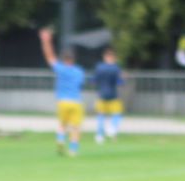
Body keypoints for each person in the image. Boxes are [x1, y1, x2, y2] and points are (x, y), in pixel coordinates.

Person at [38, 28, 85, 157]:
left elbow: (49, 56)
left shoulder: (60, 69)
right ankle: (73, 150)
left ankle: (60, 140)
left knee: (62, 125)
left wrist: (46, 41)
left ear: (63, 59)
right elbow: (81, 84)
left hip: (63, 101)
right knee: (75, 127)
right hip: (76, 102)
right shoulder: (79, 71)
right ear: (73, 59)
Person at [92, 46, 124, 144]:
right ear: (113, 57)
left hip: (102, 95)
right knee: (117, 114)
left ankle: (99, 135)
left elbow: (94, 81)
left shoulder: (99, 67)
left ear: (104, 57)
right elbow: (120, 82)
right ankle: (112, 128)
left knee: (101, 116)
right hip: (113, 95)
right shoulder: (116, 68)